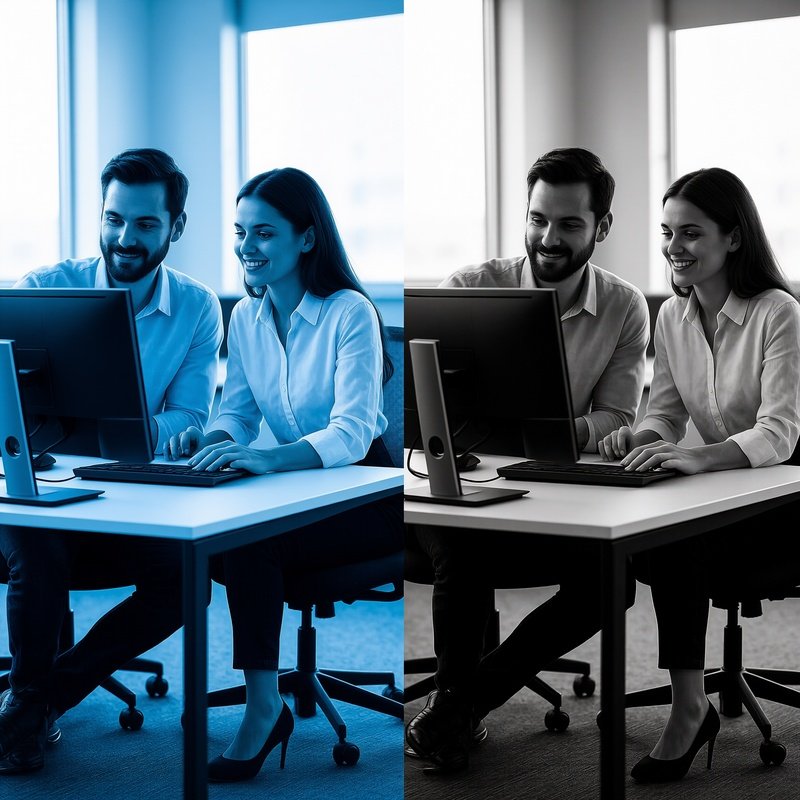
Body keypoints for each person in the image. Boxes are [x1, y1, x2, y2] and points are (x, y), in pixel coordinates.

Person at [405, 147, 648, 773]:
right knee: (462, 546)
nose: (549, 237)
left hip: (551, 492)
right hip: (455, 481)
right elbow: (425, 410)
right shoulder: (468, 289)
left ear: (602, 227)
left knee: (610, 580)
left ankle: (462, 702)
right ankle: (458, 719)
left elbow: (620, 417)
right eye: (539, 219)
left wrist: (549, 432)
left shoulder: (623, 308)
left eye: (569, 224)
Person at [167, 167, 402, 783]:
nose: (247, 247)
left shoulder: (349, 312)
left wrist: (268, 458)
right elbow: (238, 413)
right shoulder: (245, 319)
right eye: (241, 232)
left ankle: (264, 706)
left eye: (264, 233)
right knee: (216, 536)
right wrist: (212, 438)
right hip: (300, 490)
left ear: (306, 238)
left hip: (368, 494)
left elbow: (354, 431)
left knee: (249, 541)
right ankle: (267, 694)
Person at [0, 148, 223, 774]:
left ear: (175, 227)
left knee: (186, 581)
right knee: (40, 551)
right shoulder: (44, 290)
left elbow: (190, 418)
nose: (125, 238)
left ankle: (41, 698)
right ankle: (28, 704)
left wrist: (121, 430)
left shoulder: (198, 308)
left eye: (146, 224)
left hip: (121, 497)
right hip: (34, 490)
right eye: (113, 219)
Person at [599, 167, 800, 783]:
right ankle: (693, 700)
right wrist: (639, 438)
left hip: (787, 499)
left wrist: (699, 457)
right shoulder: (673, 318)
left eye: (690, 232)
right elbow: (663, 413)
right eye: (667, 232)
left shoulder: (779, 313)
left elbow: (779, 432)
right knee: (653, 530)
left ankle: (689, 711)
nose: (673, 247)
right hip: (728, 494)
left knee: (676, 538)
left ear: (733, 238)